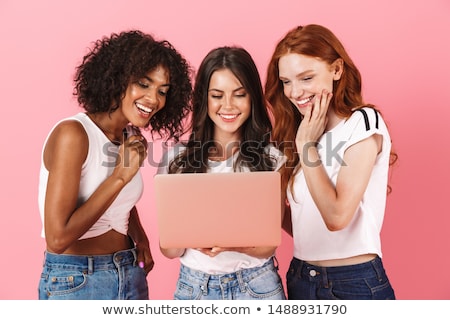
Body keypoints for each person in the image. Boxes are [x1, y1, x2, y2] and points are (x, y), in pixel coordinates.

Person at [38, 30, 193, 300]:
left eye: (162, 91)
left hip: (129, 271)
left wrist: (140, 237)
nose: (154, 99)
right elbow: (57, 238)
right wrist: (120, 175)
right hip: (76, 280)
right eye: (143, 84)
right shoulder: (74, 134)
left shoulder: (129, 138)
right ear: (118, 78)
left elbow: (120, 203)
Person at [264, 24, 397, 300]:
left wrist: (306, 147)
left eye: (306, 78)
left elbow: (337, 217)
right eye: (286, 81)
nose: (295, 92)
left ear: (336, 70)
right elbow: (301, 220)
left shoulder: (362, 123)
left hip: (354, 281)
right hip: (301, 278)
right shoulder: (298, 131)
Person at [157, 46, 286, 300]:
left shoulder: (272, 158)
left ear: (252, 99)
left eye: (239, 95)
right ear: (204, 99)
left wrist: (230, 244)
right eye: (217, 95)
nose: (228, 106)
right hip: (195, 287)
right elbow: (169, 250)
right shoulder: (177, 159)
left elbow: (268, 245)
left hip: (257, 285)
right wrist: (194, 238)